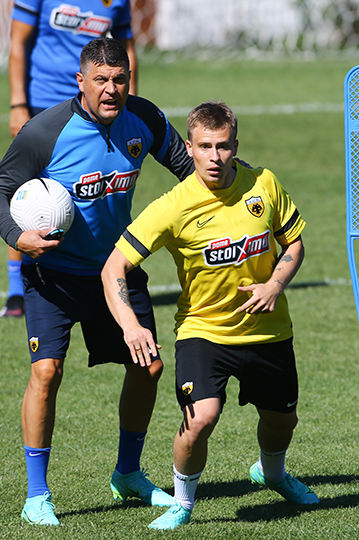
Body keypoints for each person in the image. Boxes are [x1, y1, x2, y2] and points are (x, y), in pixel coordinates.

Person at [0, 37, 194, 526]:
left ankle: (128, 474)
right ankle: (37, 496)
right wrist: (17, 236)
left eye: (120, 79)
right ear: (81, 81)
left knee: (149, 368)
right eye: (101, 80)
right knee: (46, 372)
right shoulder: (45, 131)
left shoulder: (144, 119)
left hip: (115, 270)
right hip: (52, 277)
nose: (111, 89)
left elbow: (188, 170)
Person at [101, 100, 319, 530]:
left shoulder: (264, 184)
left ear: (235, 146)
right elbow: (113, 268)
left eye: (222, 146)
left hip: (268, 332)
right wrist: (130, 324)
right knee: (201, 417)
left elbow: (293, 244)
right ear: (189, 148)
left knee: (283, 420)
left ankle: (272, 473)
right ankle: (182, 504)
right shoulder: (173, 206)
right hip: (203, 332)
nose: (214, 157)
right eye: (204, 147)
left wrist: (275, 285)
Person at [0, 0, 139, 317]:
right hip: (44, 104)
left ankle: (96, 273)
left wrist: (130, 104)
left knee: (94, 186)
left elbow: (127, 48)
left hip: (97, 105)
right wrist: (18, 103)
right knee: (28, 194)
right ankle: (16, 289)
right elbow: (18, 41)